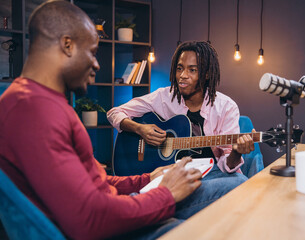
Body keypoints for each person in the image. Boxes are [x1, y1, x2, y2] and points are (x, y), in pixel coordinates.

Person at [0, 1, 238, 239]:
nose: (96, 64)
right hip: (108, 222)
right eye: (92, 52)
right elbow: (90, 219)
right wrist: (166, 194)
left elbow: (95, 182)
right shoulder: (33, 109)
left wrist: (146, 179)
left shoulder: (40, 102)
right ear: (67, 45)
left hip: (113, 206)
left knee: (234, 184)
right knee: (237, 187)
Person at [107, 41, 255, 182]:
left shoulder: (226, 107)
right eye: (179, 68)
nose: (183, 75)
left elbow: (227, 166)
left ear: (207, 74)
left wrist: (236, 152)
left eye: (192, 70)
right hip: (169, 175)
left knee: (239, 181)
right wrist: (140, 129)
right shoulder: (164, 97)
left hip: (211, 174)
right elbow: (114, 113)